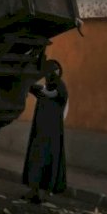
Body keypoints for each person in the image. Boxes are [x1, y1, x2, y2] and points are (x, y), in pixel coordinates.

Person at [22, 59, 68, 204]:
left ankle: (42, 193)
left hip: (51, 134)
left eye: (52, 72)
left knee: (47, 161)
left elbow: (52, 94)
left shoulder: (60, 88)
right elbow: (36, 90)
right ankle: (34, 191)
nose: (50, 75)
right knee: (36, 160)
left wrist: (41, 89)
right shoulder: (45, 88)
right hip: (39, 132)